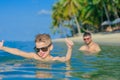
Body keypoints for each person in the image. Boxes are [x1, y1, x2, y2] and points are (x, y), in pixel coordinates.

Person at [0, 34, 74, 62]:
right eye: (37, 49)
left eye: (44, 49)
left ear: (51, 47)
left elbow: (66, 59)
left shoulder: (54, 59)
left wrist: (70, 48)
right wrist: (3, 48)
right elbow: (18, 52)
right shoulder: (34, 56)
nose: (40, 52)